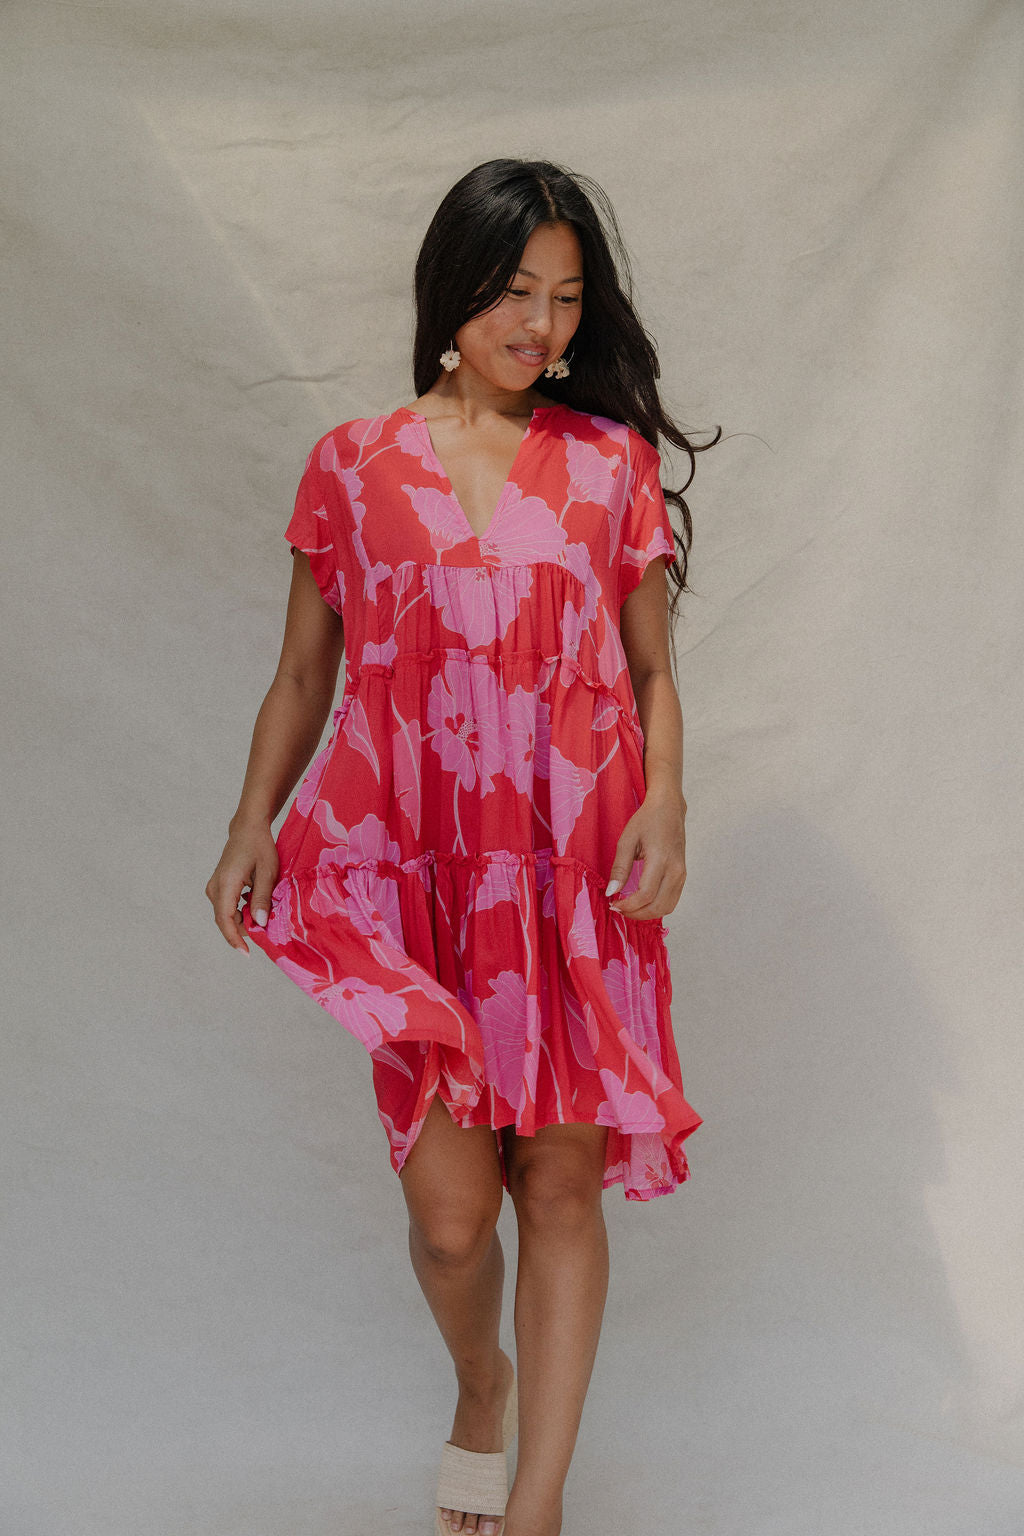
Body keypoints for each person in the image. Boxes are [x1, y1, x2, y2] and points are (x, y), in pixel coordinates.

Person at [206, 157, 720, 1536]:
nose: (539, 325)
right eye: (512, 291)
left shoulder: (609, 466)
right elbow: (306, 675)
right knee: (448, 1218)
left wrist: (667, 801)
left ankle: (538, 1505)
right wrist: (254, 817)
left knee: (557, 1180)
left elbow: (652, 673)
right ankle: (481, 1384)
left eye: (562, 299)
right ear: (451, 294)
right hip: (414, 873)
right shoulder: (354, 467)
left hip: (570, 868)